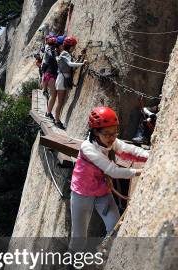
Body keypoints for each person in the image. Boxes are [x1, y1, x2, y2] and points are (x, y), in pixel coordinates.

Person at [69, 106, 149, 251]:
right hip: (82, 193)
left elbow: (129, 150)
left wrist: (151, 156)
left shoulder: (111, 142)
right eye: (107, 134)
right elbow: (112, 171)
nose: (112, 138)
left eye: (114, 133)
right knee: (79, 236)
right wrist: (139, 172)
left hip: (101, 191)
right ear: (95, 132)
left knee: (114, 226)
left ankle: (104, 251)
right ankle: (72, 266)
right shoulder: (88, 148)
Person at [53, 36, 85, 129]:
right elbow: (70, 65)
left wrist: (78, 60)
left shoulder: (64, 53)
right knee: (60, 102)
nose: (74, 48)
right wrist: (82, 63)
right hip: (62, 80)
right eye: (74, 46)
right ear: (70, 46)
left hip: (62, 79)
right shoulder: (65, 53)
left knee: (61, 101)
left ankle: (57, 119)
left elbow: (70, 65)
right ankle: (57, 120)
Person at [41, 35, 59, 118]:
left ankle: (48, 112)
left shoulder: (49, 49)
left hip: (48, 73)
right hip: (51, 74)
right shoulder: (53, 51)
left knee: (52, 94)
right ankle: (48, 113)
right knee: (53, 95)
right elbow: (55, 58)